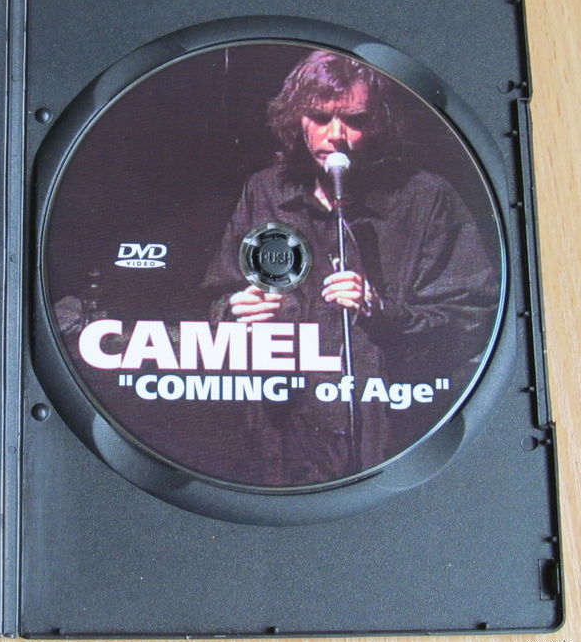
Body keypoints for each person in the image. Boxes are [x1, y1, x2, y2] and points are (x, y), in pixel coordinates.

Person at [203, 49, 499, 486]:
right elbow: (217, 301)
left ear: (380, 122)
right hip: (283, 438)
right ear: (297, 119)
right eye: (320, 117)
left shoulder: (426, 198)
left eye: (355, 120)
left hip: (390, 433)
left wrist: (383, 312)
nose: (336, 135)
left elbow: (471, 322)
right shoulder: (265, 191)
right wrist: (235, 311)